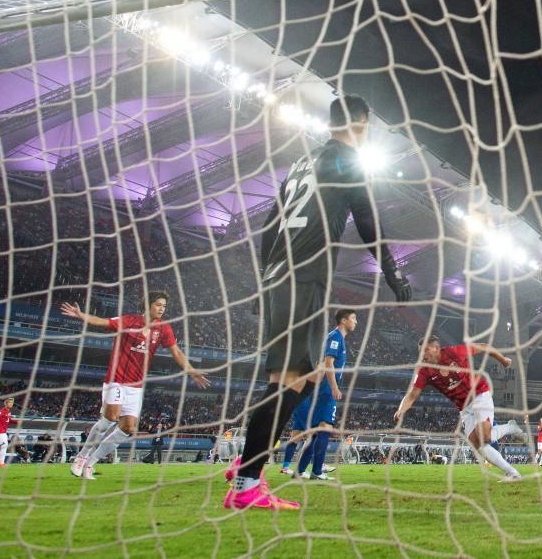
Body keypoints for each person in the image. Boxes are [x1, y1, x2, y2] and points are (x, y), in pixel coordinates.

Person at [226, 95, 411, 510]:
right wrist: (393, 272)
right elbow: (368, 221)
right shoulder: (347, 160)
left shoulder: (301, 163)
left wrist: (263, 280)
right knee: (290, 383)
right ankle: (246, 483)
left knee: (301, 381)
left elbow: (270, 225)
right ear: (361, 123)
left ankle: (248, 460)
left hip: (280, 276)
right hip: (304, 277)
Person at [61, 291, 210, 480]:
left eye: (164, 306)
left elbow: (177, 352)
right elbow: (102, 321)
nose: (161, 309)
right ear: (147, 305)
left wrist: (191, 371)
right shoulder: (128, 321)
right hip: (116, 379)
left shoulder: (163, 328)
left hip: (136, 386)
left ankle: (90, 463)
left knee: (127, 428)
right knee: (110, 418)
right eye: (158, 305)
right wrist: (81, 315)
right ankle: (81, 456)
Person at [394, 336, 524, 481]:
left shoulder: (454, 352)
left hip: (479, 394)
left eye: (426, 350)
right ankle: (512, 473)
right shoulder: (424, 370)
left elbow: (484, 347)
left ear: (436, 349)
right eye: (421, 351)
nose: (422, 355)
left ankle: (511, 428)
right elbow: (412, 395)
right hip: (463, 407)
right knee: (477, 445)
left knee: (485, 437)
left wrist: (503, 360)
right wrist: (401, 409)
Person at [293, 309, 356, 480]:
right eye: (353, 318)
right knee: (325, 428)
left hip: (321, 388)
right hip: (326, 389)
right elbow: (328, 362)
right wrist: (334, 387)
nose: (355, 322)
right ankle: (317, 471)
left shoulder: (336, 337)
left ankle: (300, 471)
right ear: (344, 320)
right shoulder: (336, 337)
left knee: (317, 432)